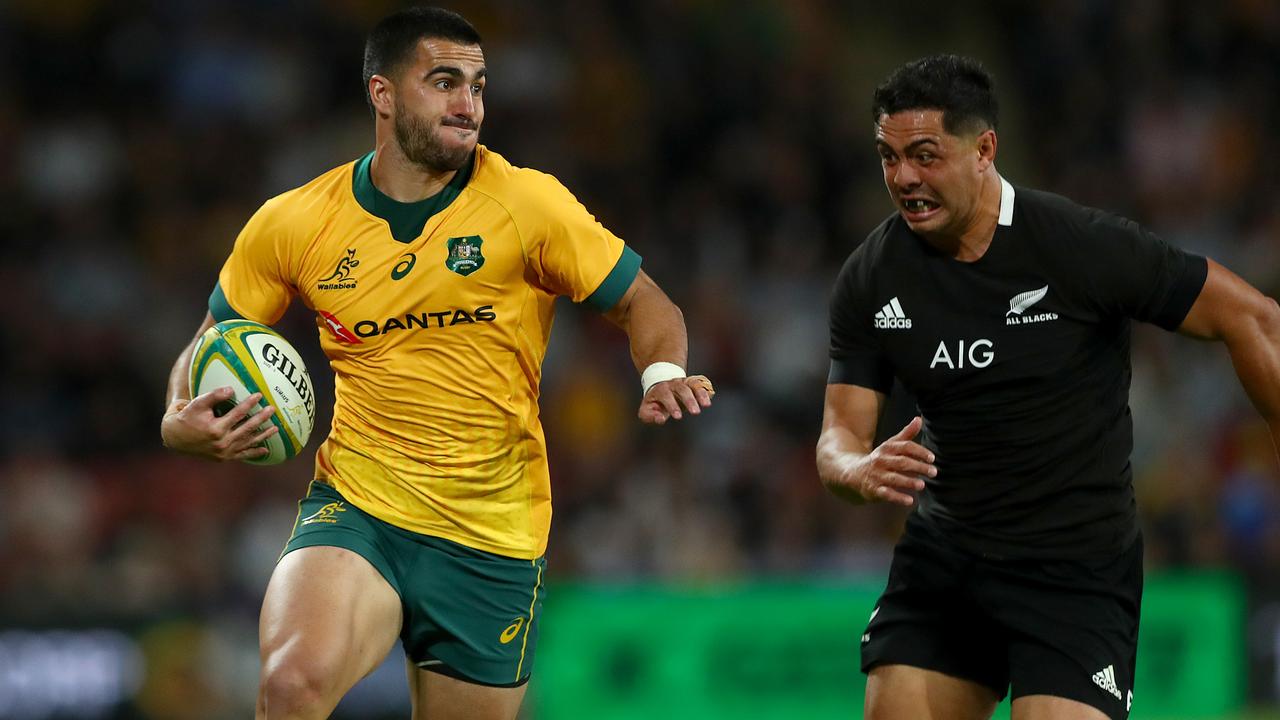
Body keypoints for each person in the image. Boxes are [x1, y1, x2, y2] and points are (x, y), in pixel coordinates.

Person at [159, 7, 714, 719]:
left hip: (492, 534)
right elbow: (212, 340)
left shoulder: (527, 205)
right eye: (445, 82)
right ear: (383, 95)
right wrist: (181, 419)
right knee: (291, 685)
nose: (468, 105)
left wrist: (662, 372)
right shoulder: (295, 221)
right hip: (359, 508)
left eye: (478, 87)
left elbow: (646, 303)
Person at [816, 54, 1280, 720]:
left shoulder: (1078, 247)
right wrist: (854, 470)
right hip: (946, 563)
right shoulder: (871, 276)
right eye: (888, 158)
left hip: (1076, 571)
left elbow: (1254, 317)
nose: (904, 178)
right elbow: (838, 434)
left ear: (984, 149)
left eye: (924, 155)